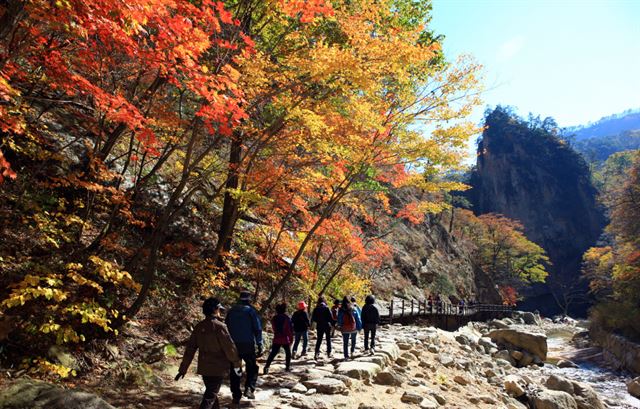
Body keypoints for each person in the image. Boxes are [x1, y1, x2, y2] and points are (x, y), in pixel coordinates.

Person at [175, 297, 243, 409]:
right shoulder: (220, 327)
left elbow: (190, 350)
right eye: (219, 309)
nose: (220, 312)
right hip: (218, 368)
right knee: (210, 396)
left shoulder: (199, 327)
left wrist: (183, 369)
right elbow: (229, 348)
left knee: (212, 394)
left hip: (204, 368)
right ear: (215, 310)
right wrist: (236, 364)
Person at [225, 291, 263, 403]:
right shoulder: (251, 311)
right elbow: (257, 329)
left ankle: (236, 395)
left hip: (233, 345)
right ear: (249, 299)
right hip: (247, 344)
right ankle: (249, 389)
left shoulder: (231, 311)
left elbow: (226, 328)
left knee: (235, 368)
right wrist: (260, 343)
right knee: (252, 367)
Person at [264, 303, 293, 374]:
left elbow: (274, 328)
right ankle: (287, 367)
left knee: (273, 353)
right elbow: (289, 330)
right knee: (288, 353)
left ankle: (266, 367)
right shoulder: (286, 318)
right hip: (285, 339)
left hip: (277, 338)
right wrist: (291, 338)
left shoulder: (274, 318)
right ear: (284, 310)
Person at [337, 296, 362, 361]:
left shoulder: (341, 309)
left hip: (345, 328)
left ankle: (346, 356)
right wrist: (359, 328)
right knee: (353, 340)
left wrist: (340, 326)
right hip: (353, 328)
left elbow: (339, 319)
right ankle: (352, 352)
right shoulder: (354, 308)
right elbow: (358, 319)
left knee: (345, 342)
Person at [311, 296, 334, 360]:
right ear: (324, 301)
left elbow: (314, 318)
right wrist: (333, 324)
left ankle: (316, 353)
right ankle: (329, 353)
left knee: (319, 340)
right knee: (328, 339)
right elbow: (330, 318)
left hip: (319, 326)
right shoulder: (327, 308)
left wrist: (318, 321)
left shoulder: (316, 309)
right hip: (326, 325)